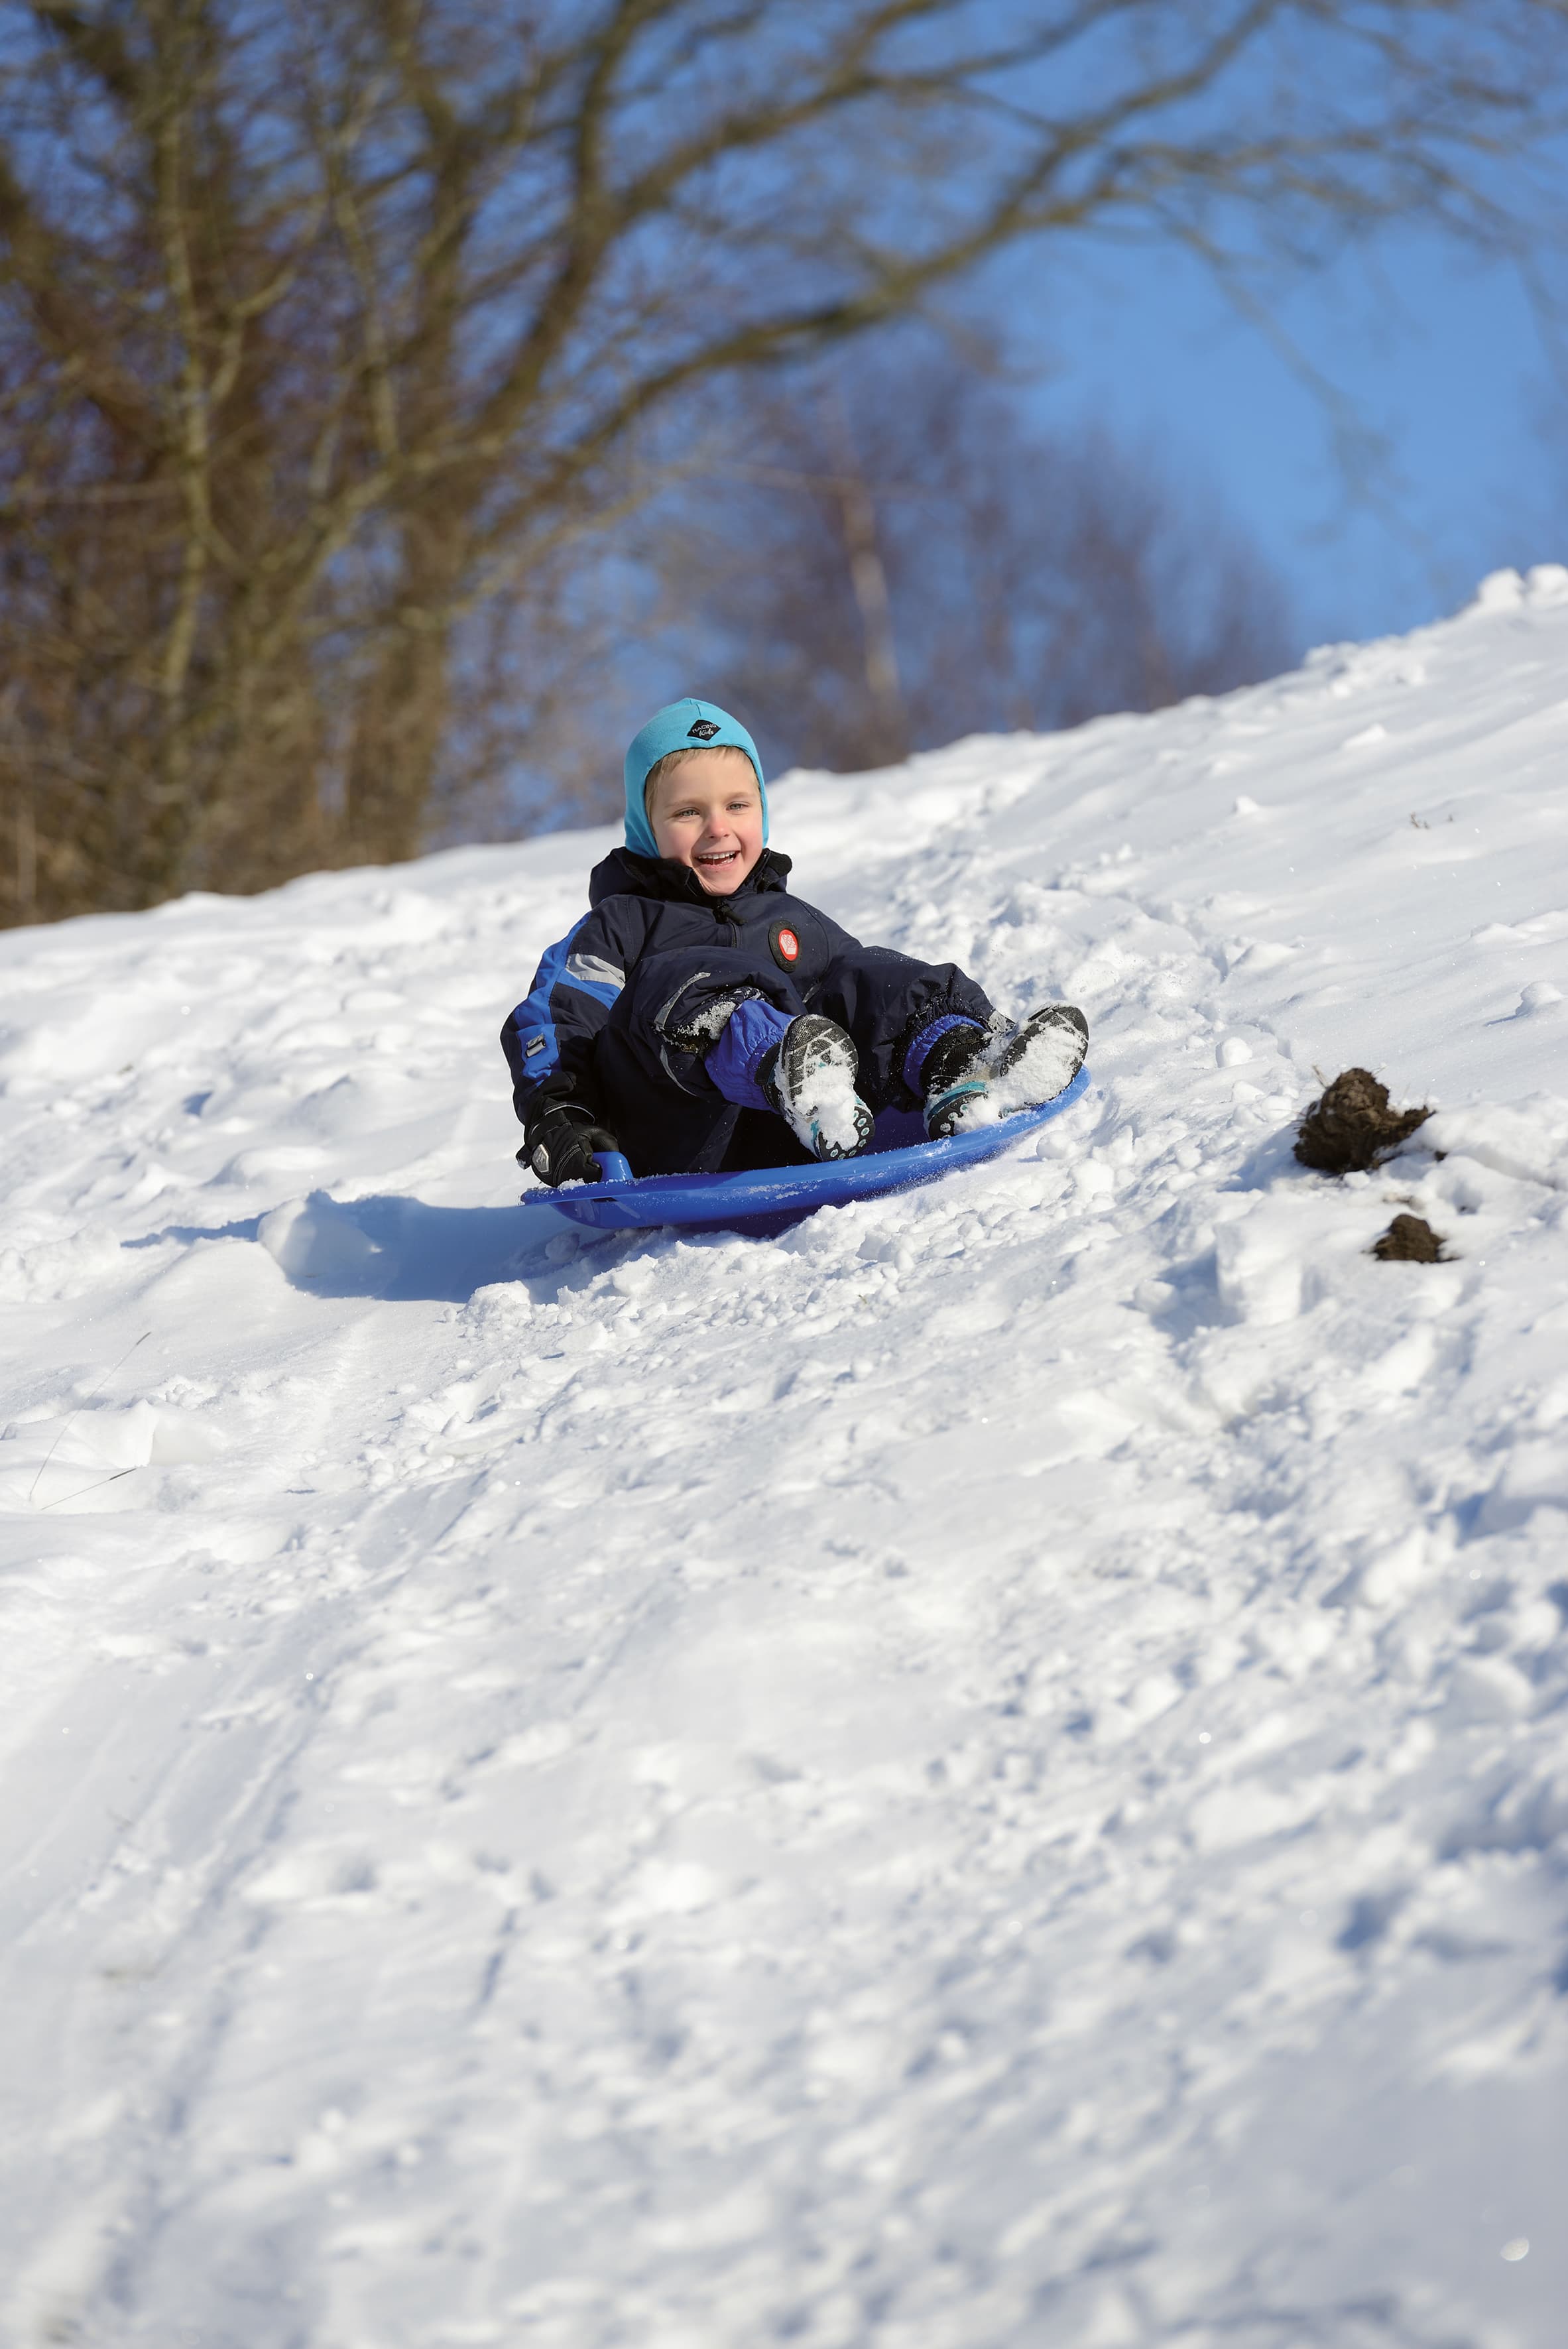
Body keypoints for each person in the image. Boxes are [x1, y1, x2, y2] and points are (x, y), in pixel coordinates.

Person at [501, 697, 1087, 1185]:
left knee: (864, 972)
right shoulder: (621, 924)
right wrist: (561, 1114)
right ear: (644, 828)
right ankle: (784, 1067)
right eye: (687, 812)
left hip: (810, 1137)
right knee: (679, 978)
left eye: (737, 804)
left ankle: (962, 1065)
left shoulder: (790, 916)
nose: (718, 828)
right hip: (681, 1141)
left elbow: (864, 1001)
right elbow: (556, 1021)